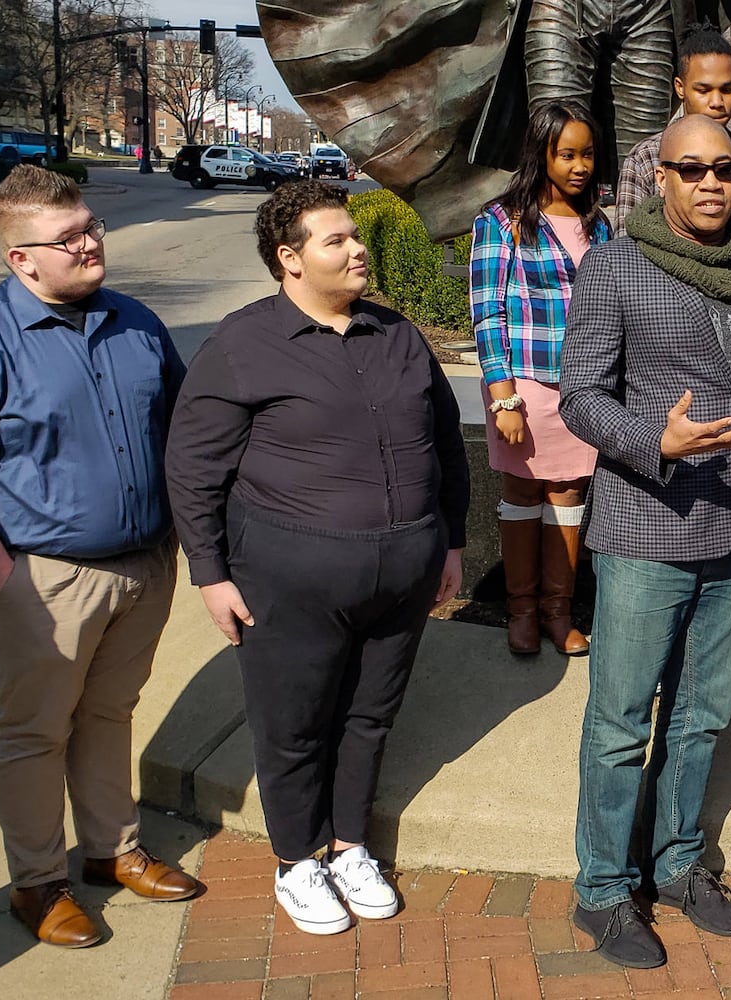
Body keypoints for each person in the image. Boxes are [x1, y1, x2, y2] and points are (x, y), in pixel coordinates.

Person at [0, 166, 199, 948]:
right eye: (67, 238)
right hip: (45, 578)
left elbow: (185, 432)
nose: (90, 243)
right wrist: (2, 580)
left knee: (109, 712)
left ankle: (111, 850)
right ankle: (37, 881)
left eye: (92, 226)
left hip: (144, 563)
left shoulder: (136, 323)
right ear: (20, 258)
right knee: (36, 730)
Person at [165, 181, 469, 935]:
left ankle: (348, 845)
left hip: (402, 574)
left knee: (369, 717)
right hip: (288, 578)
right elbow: (193, 468)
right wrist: (209, 572)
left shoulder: (396, 335)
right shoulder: (241, 345)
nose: (357, 248)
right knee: (293, 724)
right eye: (336, 240)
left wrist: (452, 541)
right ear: (289, 259)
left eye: (354, 235)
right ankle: (297, 860)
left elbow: (445, 446)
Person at [559, 115, 731, 969]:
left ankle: (679, 861)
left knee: (700, 718)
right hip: (648, 526)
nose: (709, 182)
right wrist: (657, 439)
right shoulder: (616, 266)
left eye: (724, 168)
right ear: (660, 177)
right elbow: (581, 396)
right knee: (621, 721)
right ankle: (604, 891)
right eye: (690, 168)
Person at [471, 100, 610, 656]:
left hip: (583, 386)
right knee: (522, 492)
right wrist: (502, 396)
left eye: (588, 154)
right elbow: (487, 311)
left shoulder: (597, 222)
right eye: (567, 154)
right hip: (524, 387)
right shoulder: (500, 220)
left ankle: (558, 610)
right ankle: (521, 610)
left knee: (569, 492)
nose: (579, 165)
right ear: (541, 154)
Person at [612, 26, 731, 236]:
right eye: (704, 90)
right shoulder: (645, 158)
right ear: (680, 87)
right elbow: (626, 250)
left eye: (727, 90)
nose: (717, 102)